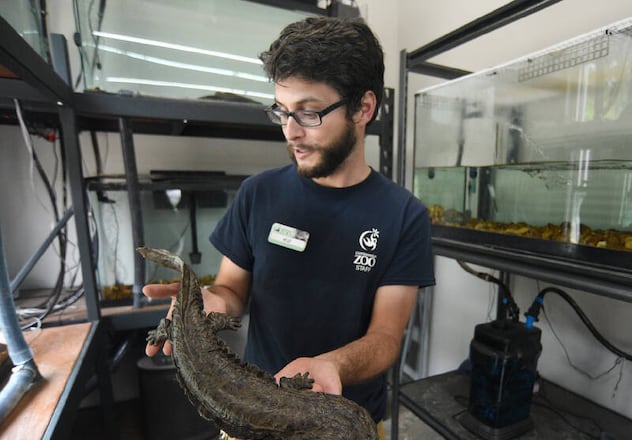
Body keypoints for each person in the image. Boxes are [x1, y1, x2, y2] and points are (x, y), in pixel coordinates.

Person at [143, 15, 435, 438]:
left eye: (310, 113)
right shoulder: (258, 194)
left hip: (345, 419)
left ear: (364, 108)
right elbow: (230, 292)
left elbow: (386, 336)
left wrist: (332, 364)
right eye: (281, 111)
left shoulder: (404, 215)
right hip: (251, 412)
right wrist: (207, 305)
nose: (291, 132)